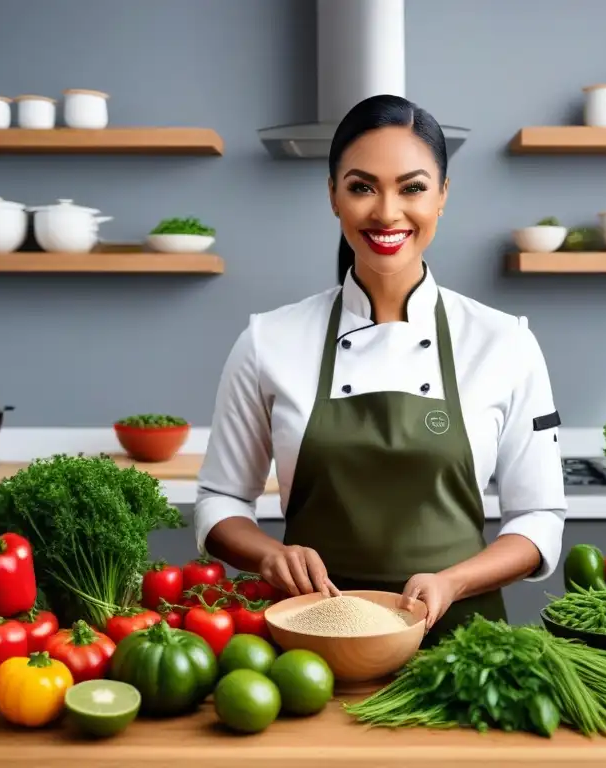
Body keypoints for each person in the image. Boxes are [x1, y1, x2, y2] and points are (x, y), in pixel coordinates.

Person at [194, 94, 567, 644]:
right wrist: (271, 555)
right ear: (333, 196)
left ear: (442, 196)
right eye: (362, 187)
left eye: (412, 187)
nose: (387, 212)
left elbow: (539, 518)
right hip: (309, 649)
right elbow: (220, 501)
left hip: (464, 650)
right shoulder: (267, 340)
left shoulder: (505, 342)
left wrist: (454, 582)